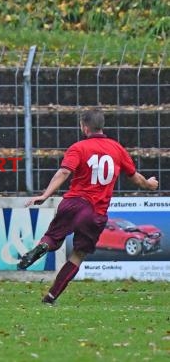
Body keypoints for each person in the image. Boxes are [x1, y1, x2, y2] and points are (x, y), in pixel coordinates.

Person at [18, 108, 158, 304]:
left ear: (84, 127)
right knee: (78, 254)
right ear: (102, 126)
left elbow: (64, 172)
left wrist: (45, 195)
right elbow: (136, 178)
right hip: (95, 212)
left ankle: (41, 248)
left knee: (52, 238)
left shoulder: (78, 148)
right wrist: (150, 184)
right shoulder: (117, 149)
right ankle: (50, 297)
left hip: (73, 203)